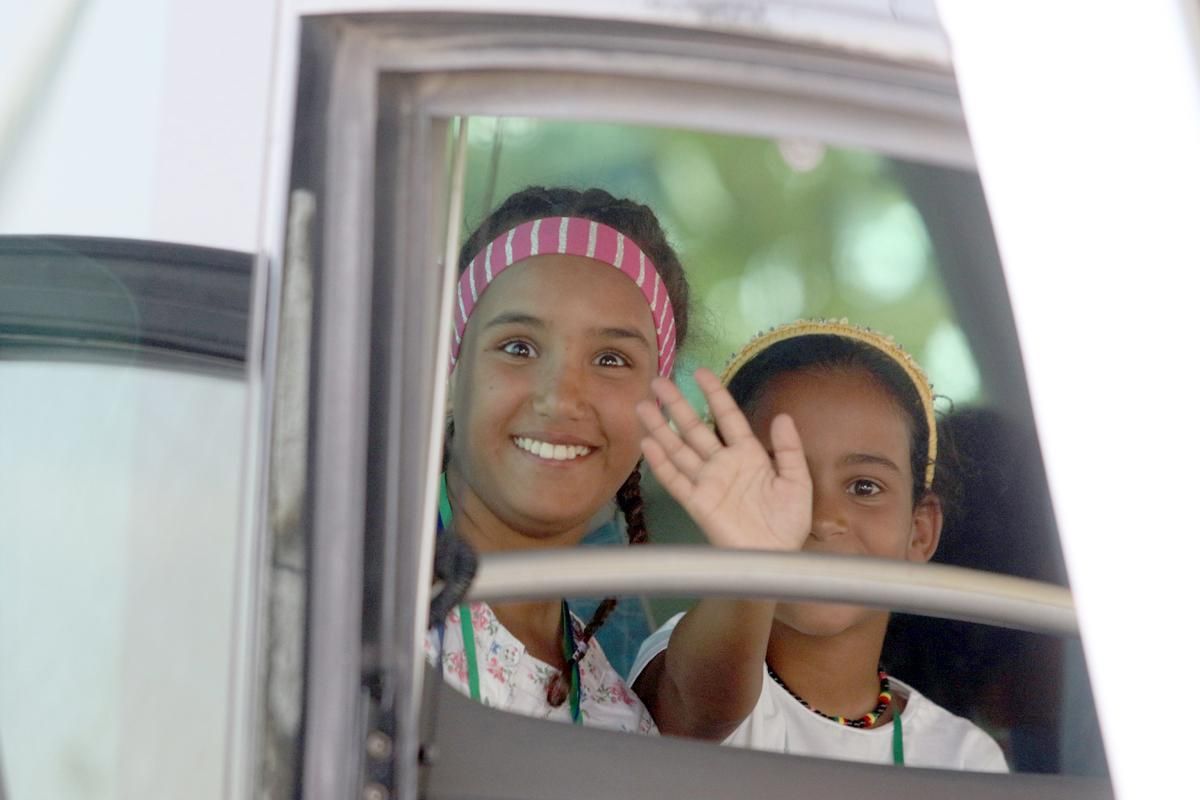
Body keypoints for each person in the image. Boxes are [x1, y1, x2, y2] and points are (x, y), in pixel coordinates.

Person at [629, 319, 1007, 770]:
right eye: (783, 480)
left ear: (920, 530)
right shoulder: (685, 662)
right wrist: (755, 560)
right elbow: (704, 703)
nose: (823, 519)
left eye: (865, 487)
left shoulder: (963, 756)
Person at [426, 186, 690, 733]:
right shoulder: (352, 591)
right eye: (519, 347)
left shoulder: (620, 721)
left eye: (611, 359)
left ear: (657, 409)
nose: (560, 397)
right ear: (448, 374)